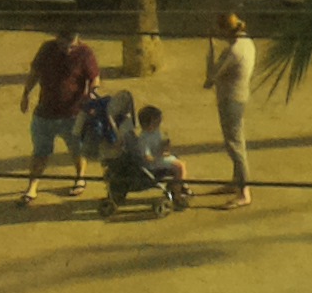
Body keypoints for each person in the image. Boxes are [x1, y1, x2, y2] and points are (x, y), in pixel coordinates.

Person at [17, 22, 101, 204]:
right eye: (64, 46)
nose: (68, 50)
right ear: (57, 39)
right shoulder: (47, 50)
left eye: (72, 46)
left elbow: (94, 78)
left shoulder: (85, 53)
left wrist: (92, 95)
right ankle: (32, 187)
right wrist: (26, 94)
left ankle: (80, 178)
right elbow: (34, 73)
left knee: (77, 149)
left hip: (73, 113)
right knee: (40, 152)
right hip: (45, 112)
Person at [202, 9, 255, 207]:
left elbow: (211, 77)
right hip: (240, 97)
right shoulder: (247, 43)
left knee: (235, 145)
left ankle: (243, 192)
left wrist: (211, 50)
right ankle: (236, 182)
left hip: (230, 100)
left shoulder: (232, 52)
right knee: (237, 141)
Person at [100, 103, 189, 216]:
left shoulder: (155, 132)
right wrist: (160, 155)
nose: (159, 123)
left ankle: (179, 184)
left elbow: (158, 144)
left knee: (179, 162)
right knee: (180, 167)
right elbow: (147, 157)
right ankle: (177, 194)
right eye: (156, 121)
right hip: (152, 164)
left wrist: (164, 146)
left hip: (158, 158)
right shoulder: (144, 139)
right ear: (147, 124)